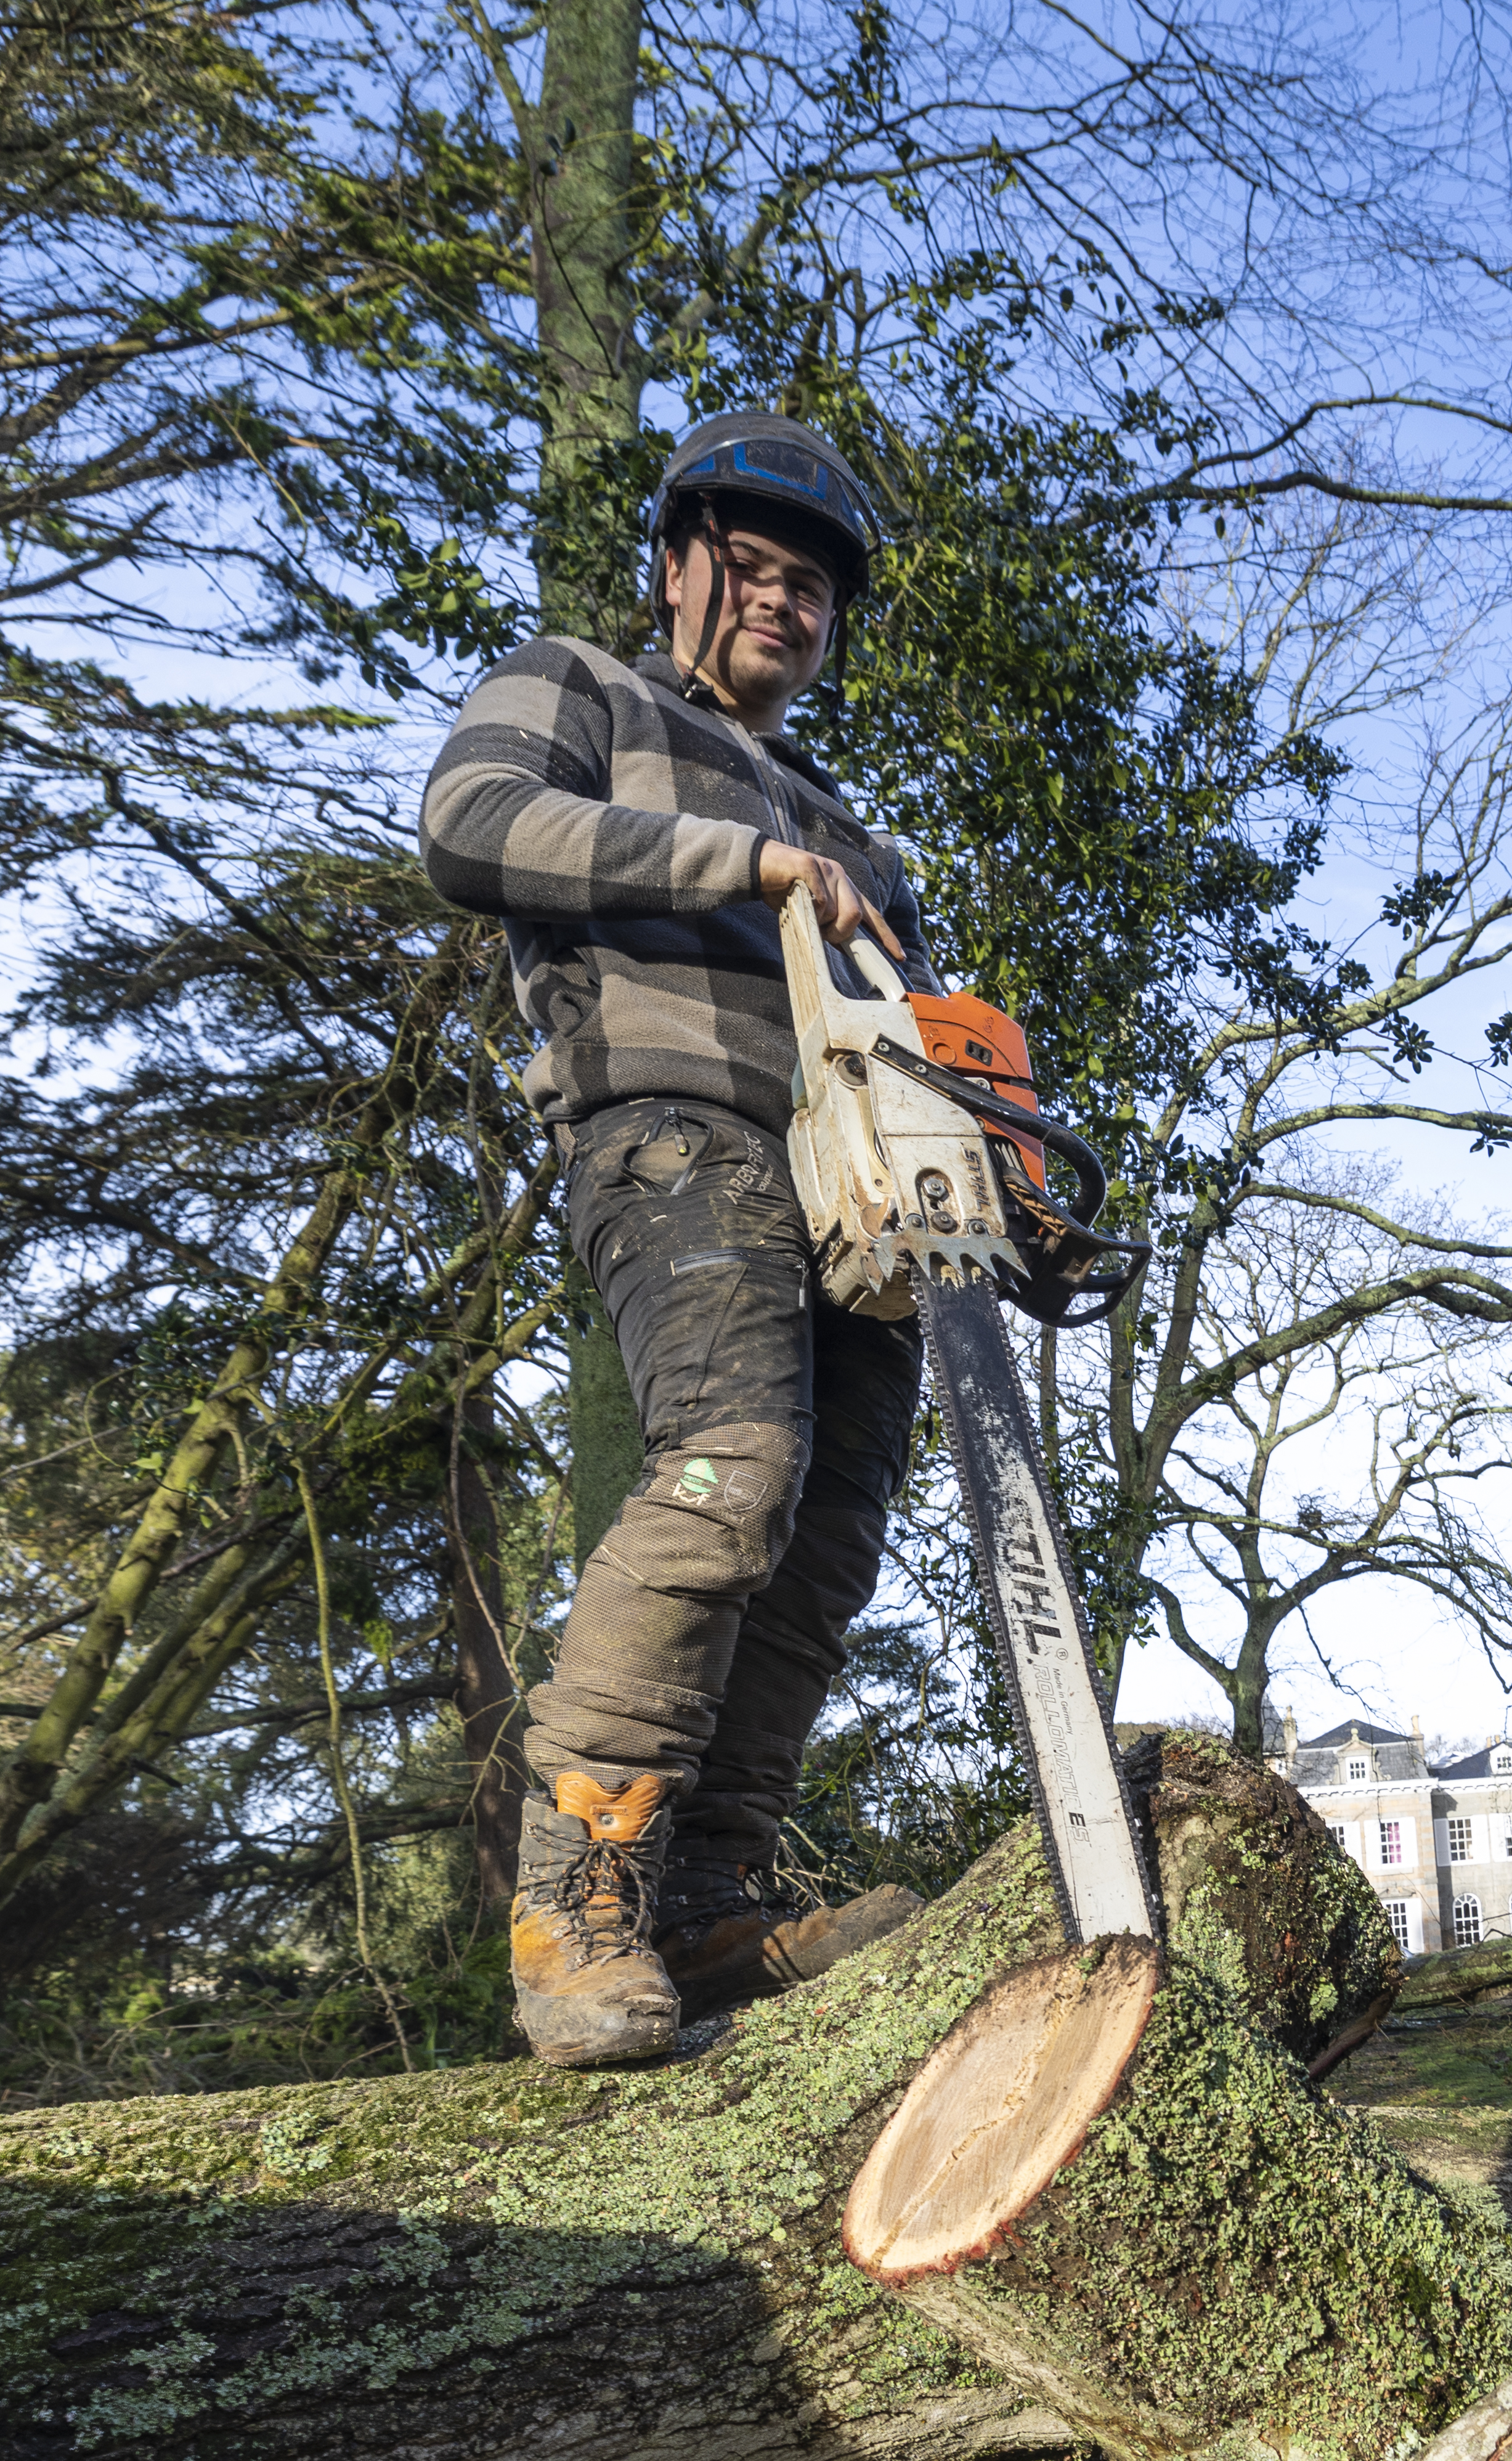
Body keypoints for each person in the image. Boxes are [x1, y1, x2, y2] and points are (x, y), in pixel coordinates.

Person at [420, 410, 931, 2066]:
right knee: (732, 1468)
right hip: (675, 1131)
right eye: (753, 567)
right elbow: (473, 825)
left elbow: (920, 1037)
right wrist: (746, 864)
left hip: (862, 1186)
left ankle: (710, 1896)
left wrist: (1004, 1174)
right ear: (677, 568)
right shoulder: (582, 688)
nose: (783, 600)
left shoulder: (859, 835)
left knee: (824, 1546)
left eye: (811, 587)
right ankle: (577, 1898)